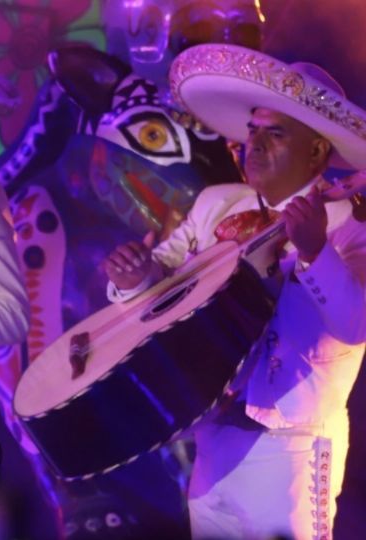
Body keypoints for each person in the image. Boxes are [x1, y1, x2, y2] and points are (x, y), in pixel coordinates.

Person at [105, 43, 366, 539]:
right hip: (209, 438)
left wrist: (314, 253)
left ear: (317, 151)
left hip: (287, 450)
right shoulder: (216, 203)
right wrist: (132, 278)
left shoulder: (352, 225)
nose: (256, 145)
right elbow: (162, 280)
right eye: (252, 132)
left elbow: (356, 325)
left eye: (276, 133)